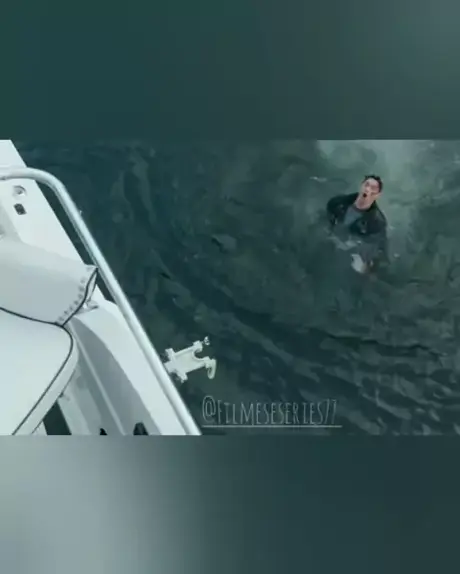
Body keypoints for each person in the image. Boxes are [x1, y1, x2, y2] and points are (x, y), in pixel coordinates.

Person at [326, 175, 388, 273]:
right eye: (366, 185)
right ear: (361, 186)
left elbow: (379, 249)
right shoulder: (337, 202)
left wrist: (365, 267)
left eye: (373, 188)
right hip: (329, 244)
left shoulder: (377, 223)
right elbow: (324, 220)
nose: (368, 189)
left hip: (349, 257)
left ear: (377, 195)